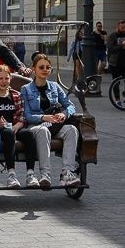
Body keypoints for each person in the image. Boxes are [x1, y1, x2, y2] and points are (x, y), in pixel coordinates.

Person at [21, 53, 80, 188]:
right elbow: (26, 115)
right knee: (43, 131)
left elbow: (70, 105)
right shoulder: (26, 89)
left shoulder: (54, 86)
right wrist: (43, 117)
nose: (45, 70)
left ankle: (67, 173)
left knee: (72, 129)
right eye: (41, 67)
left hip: (54, 125)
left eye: (48, 67)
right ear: (34, 69)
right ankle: (45, 174)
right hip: (36, 126)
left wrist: (64, 114)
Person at [0, 65, 38, 189]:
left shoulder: (16, 95)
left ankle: (30, 174)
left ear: (10, 79)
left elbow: (23, 115)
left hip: (16, 126)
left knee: (28, 134)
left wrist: (19, 124)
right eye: (0, 79)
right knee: (8, 134)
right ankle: (11, 174)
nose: (4, 82)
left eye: (6, 78)